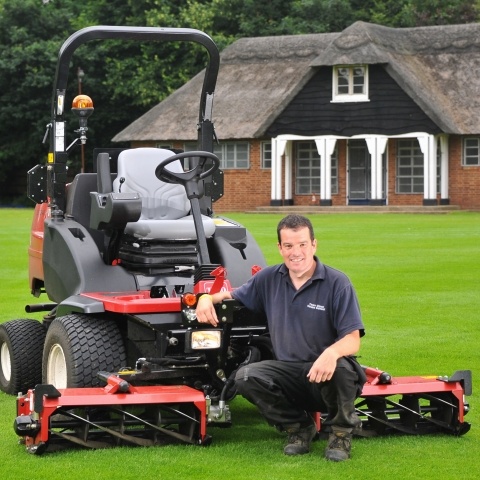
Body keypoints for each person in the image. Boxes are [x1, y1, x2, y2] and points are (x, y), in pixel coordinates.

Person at [196, 214, 365, 461]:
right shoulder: (268, 279)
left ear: (314, 245)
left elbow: (352, 339)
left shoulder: (337, 283)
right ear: (280, 248)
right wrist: (205, 298)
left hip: (327, 374)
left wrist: (331, 353)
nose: (296, 252)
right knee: (245, 377)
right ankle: (299, 428)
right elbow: (230, 295)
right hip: (290, 373)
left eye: (302, 244)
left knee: (340, 368)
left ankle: (340, 434)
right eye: (288, 246)